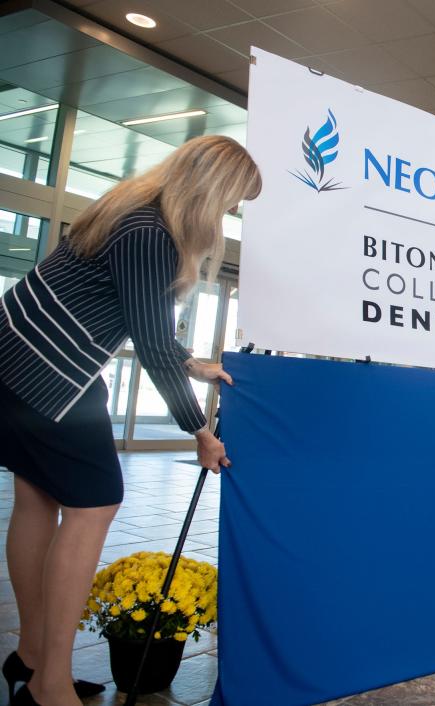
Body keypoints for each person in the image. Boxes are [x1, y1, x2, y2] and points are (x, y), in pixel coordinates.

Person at [0, 135, 261, 706]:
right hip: (50, 371)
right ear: (210, 190)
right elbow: (148, 340)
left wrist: (194, 364)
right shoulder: (152, 234)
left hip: (12, 358)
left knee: (37, 498)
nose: (226, 215)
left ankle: (35, 655)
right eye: (230, 202)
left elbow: (134, 316)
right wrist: (201, 430)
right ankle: (49, 685)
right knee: (96, 503)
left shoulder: (127, 208)